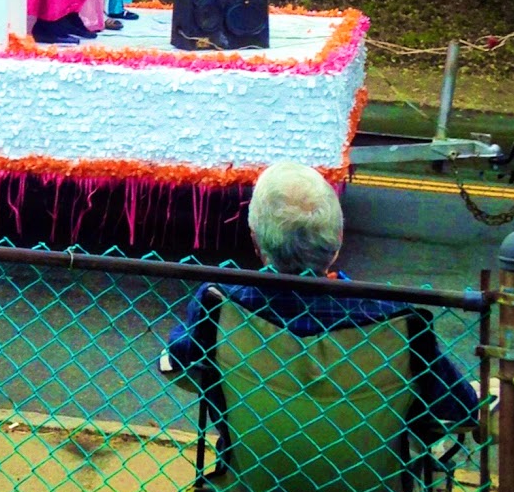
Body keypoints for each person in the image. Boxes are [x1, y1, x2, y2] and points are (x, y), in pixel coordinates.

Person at [166, 161, 479, 443]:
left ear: (256, 242)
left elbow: (178, 359)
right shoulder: (395, 319)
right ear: (338, 241)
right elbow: (461, 407)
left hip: (250, 485)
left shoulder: (220, 304)